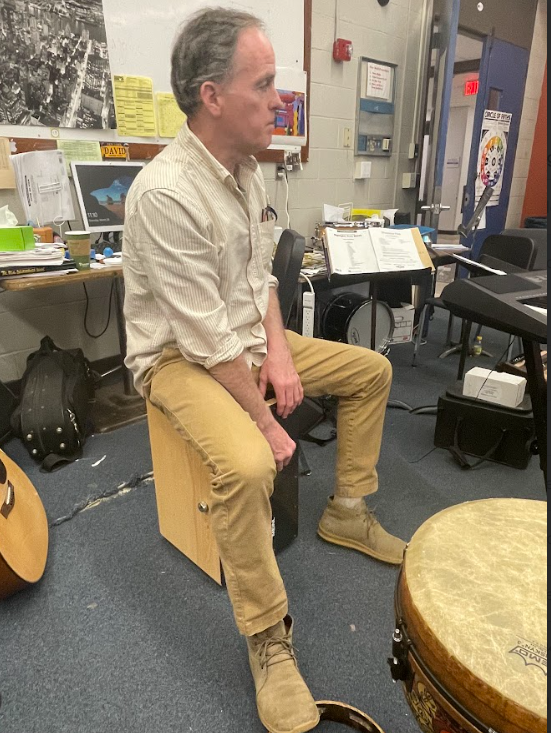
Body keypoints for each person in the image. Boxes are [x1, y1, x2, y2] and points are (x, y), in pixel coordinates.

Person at [122, 8, 406, 733]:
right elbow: (204, 338)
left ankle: (347, 512)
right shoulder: (164, 193)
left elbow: (260, 287)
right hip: (178, 357)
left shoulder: (246, 171)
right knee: (250, 464)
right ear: (212, 95)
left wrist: (279, 351)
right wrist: (262, 418)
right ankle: (268, 641)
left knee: (370, 369)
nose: (280, 98)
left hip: (241, 342)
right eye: (265, 83)